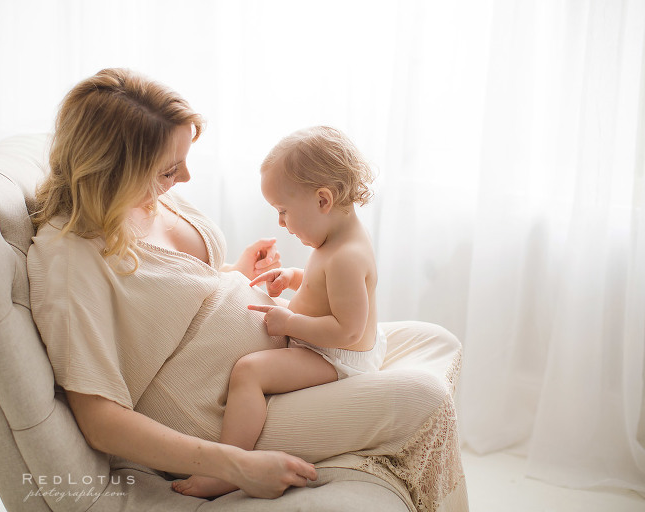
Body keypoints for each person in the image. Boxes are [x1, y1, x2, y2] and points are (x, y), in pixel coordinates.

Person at [27, 68, 468, 510]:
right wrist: (233, 463)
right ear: (116, 170)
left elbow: (168, 290)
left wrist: (235, 271)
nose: (184, 178)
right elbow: (100, 419)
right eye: (168, 169)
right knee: (422, 399)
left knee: (437, 339)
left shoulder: (146, 194)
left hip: (291, 354)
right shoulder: (71, 260)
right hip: (230, 414)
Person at [173, 126, 387, 498]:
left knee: (250, 371)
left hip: (338, 356)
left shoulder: (348, 257)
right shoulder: (338, 238)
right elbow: (325, 288)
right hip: (332, 341)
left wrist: (290, 322)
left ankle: (227, 467)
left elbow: (348, 331)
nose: (281, 223)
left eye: (283, 211)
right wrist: (293, 279)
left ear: (323, 200)